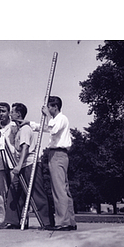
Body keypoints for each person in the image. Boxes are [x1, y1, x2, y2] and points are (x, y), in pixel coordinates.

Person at [1, 103, 54, 229]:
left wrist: (18, 166)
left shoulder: (25, 129)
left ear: (18, 114)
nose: (10, 114)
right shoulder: (19, 129)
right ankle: (12, 221)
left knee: (37, 193)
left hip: (30, 164)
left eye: (12, 112)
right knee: (14, 191)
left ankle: (47, 222)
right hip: (22, 165)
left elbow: (25, 148)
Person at [42, 96, 77, 231]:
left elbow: (53, 129)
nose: (47, 109)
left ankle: (63, 222)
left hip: (58, 154)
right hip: (58, 154)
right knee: (64, 188)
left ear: (54, 107)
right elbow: (47, 128)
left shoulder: (61, 119)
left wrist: (46, 116)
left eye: (49, 107)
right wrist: (30, 124)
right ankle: (70, 221)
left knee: (59, 189)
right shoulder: (56, 120)